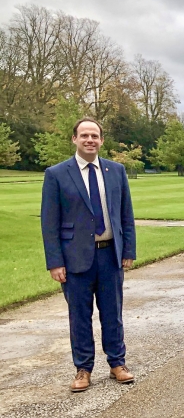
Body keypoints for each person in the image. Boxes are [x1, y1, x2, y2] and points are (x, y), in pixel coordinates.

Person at [41, 118, 137, 392]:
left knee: (112, 313)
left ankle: (117, 363)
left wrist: (128, 250)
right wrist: (55, 262)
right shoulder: (57, 174)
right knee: (79, 316)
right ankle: (83, 369)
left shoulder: (116, 171)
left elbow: (125, 215)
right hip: (75, 260)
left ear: (101, 140)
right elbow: (49, 223)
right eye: (84, 135)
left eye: (94, 135)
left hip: (110, 256)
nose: (90, 140)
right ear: (74, 139)